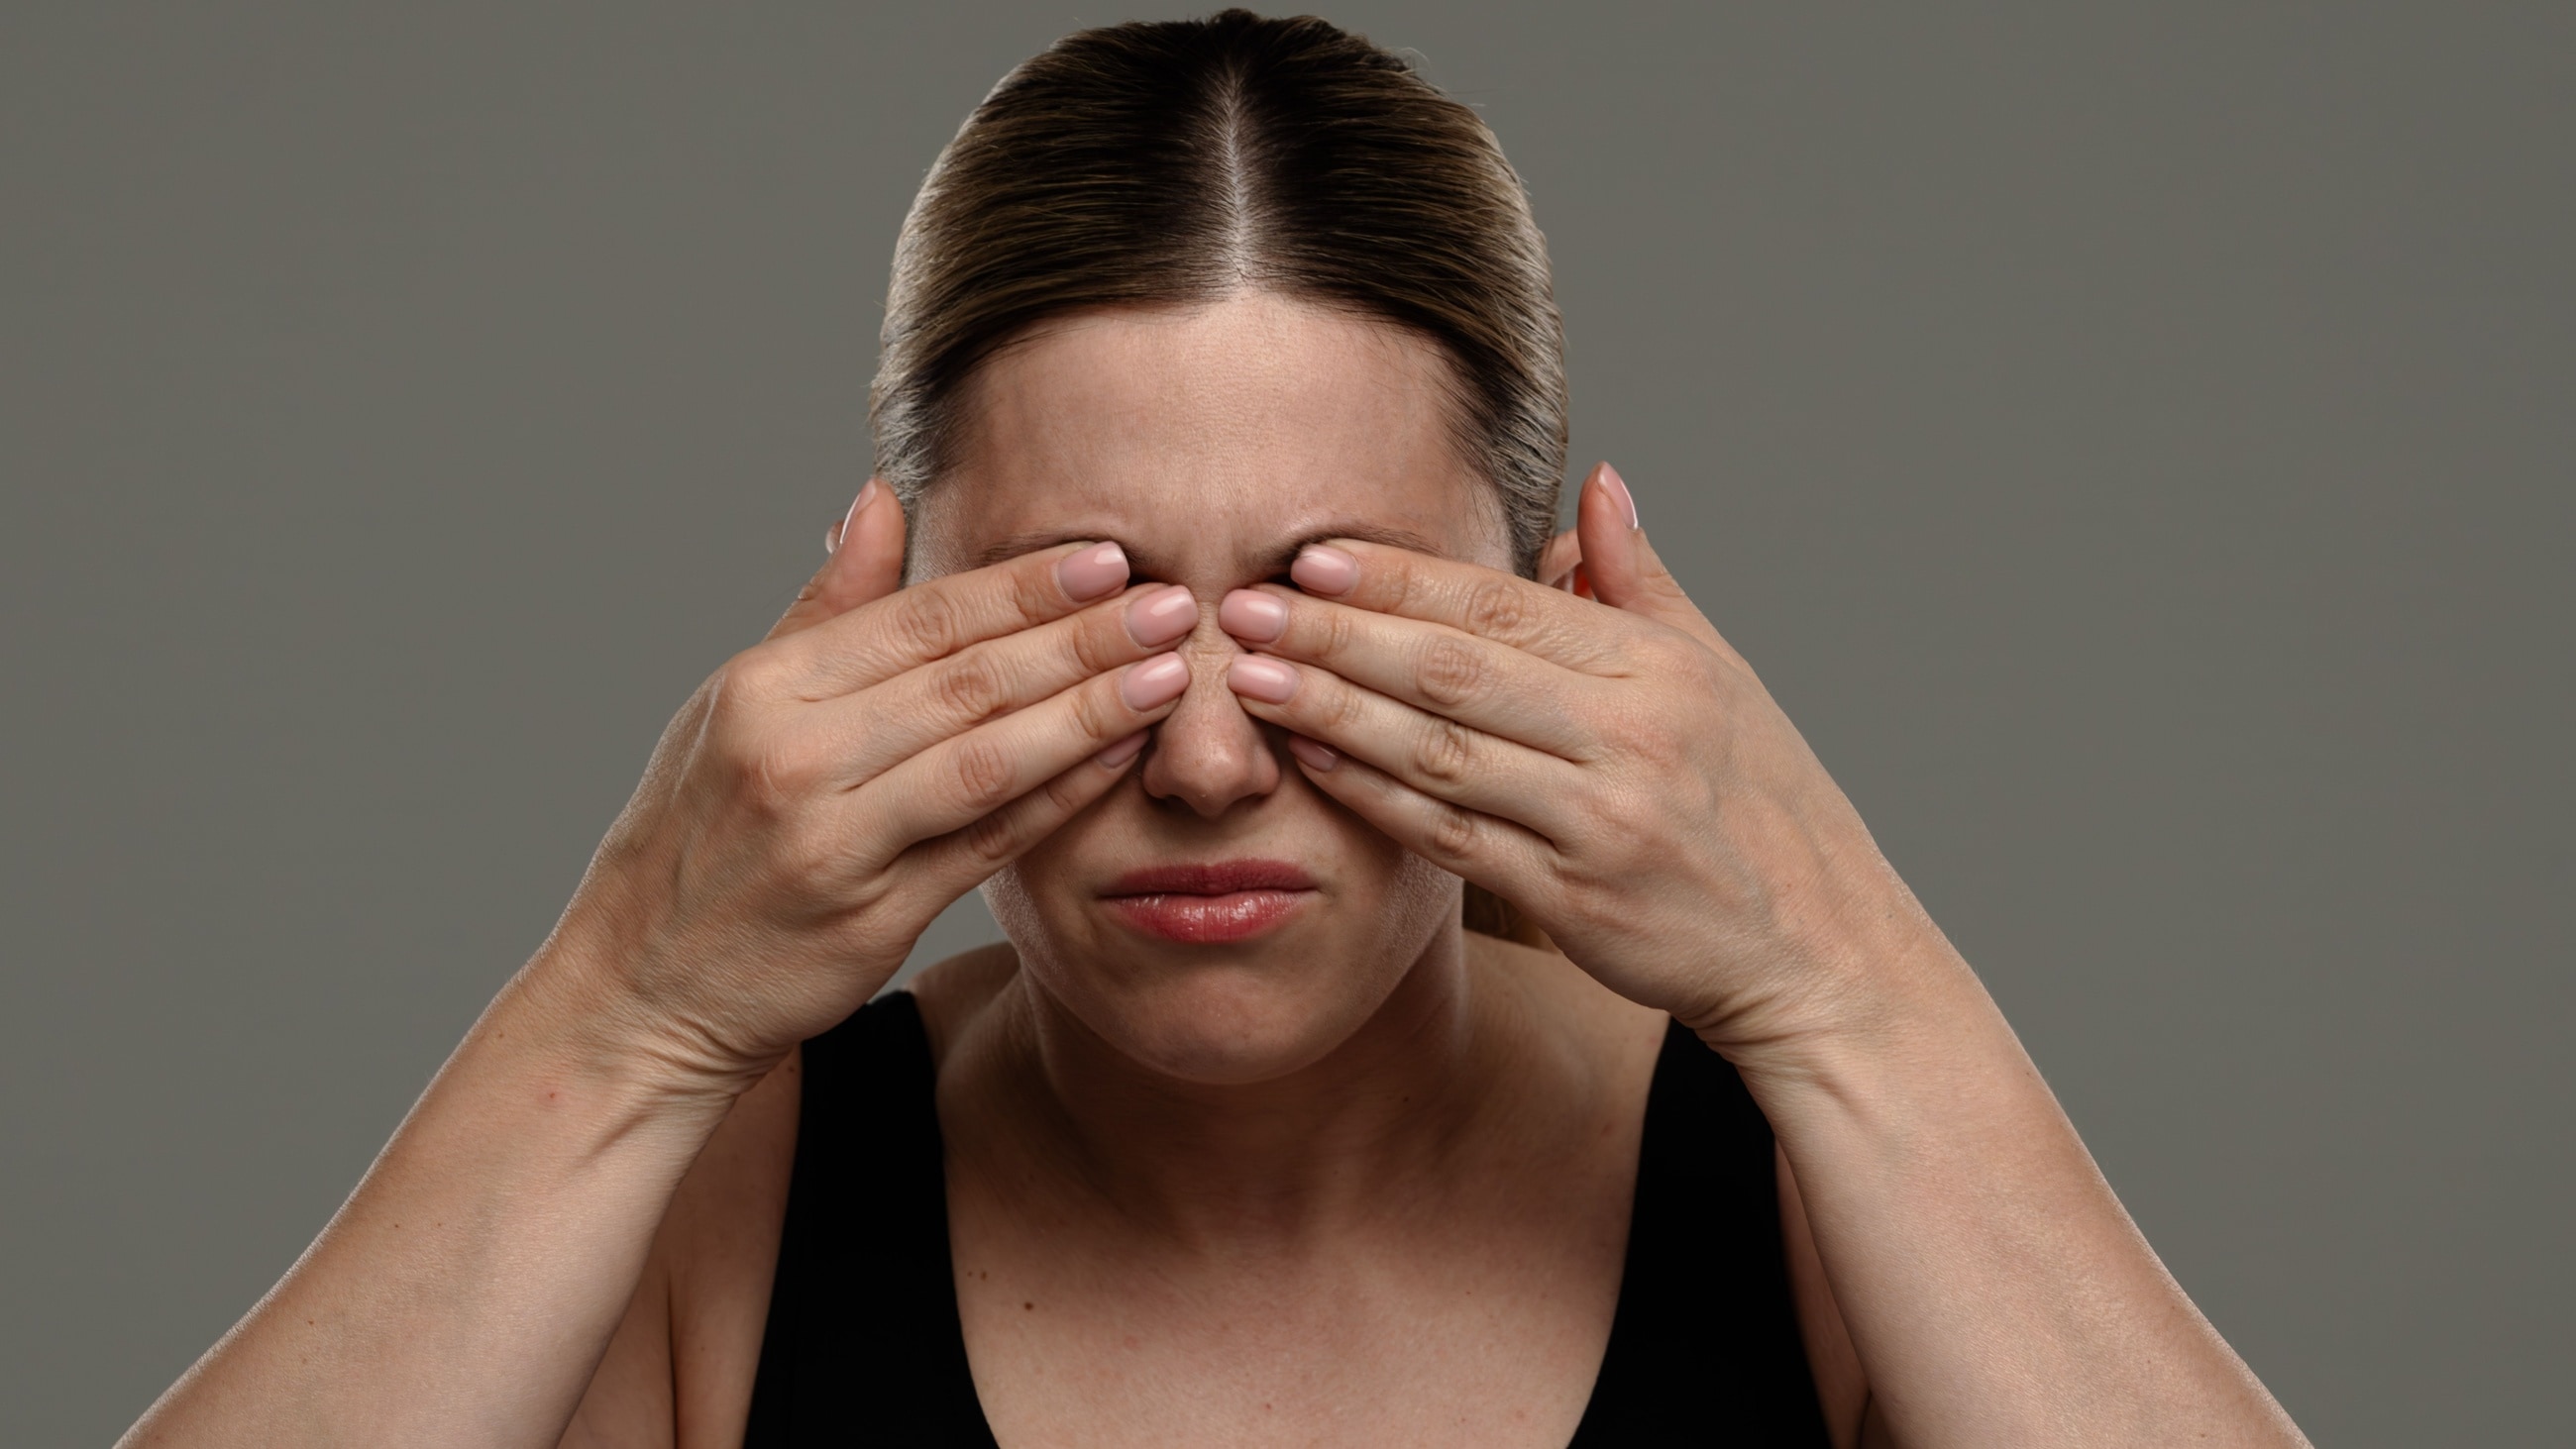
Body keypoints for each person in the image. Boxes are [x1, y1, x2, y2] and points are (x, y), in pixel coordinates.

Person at [122, 12, 2311, 1448]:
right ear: (888, 628)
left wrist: (1846, 985)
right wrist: (620, 1006)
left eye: (1323, 616)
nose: (1198, 761)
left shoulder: (1820, 1192)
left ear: (1554, 623)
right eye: (1081, 619)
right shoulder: (730, 1198)